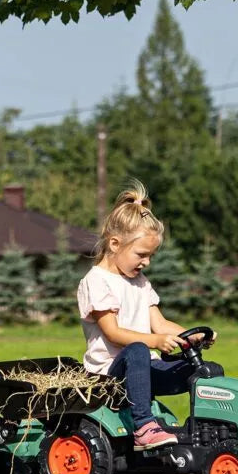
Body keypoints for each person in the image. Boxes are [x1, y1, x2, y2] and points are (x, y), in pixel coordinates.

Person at [77, 181, 215, 450]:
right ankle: (143, 428)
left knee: (204, 371)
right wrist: (156, 341)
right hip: (108, 374)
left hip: (143, 368)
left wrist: (192, 335)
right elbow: (113, 334)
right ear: (115, 244)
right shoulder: (96, 281)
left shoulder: (139, 281)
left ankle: (204, 431)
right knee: (138, 349)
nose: (146, 262)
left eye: (151, 256)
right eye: (141, 254)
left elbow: (160, 323)